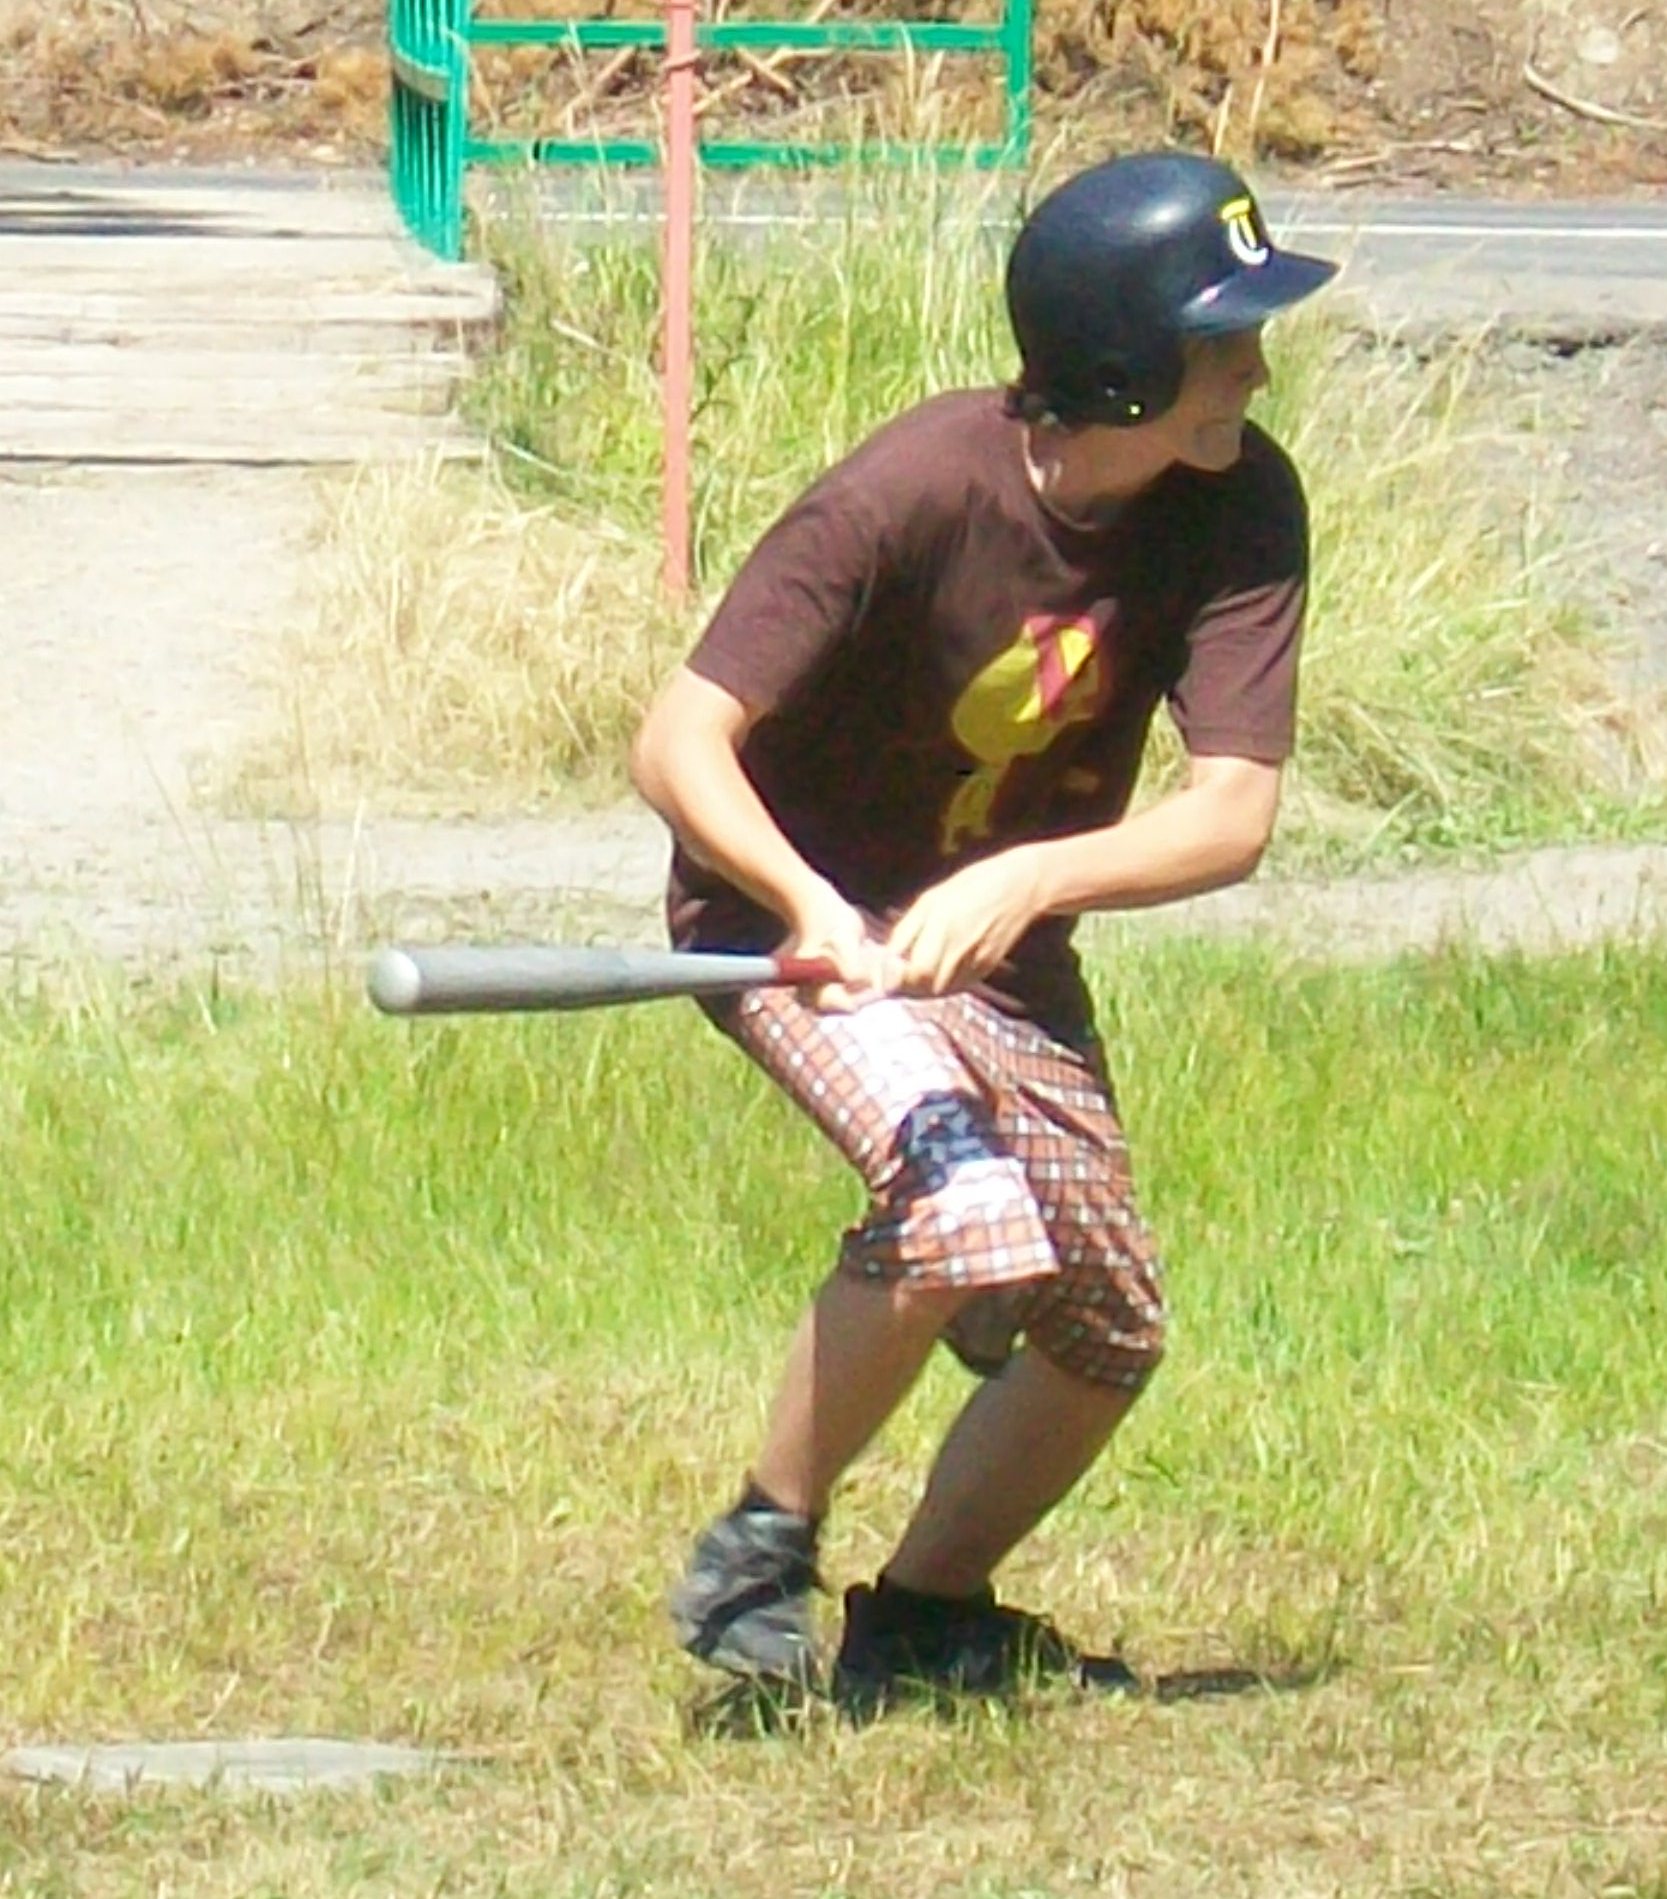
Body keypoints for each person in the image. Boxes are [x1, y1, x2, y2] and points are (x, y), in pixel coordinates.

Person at [628, 149, 1338, 1705]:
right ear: (1121, 364)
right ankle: (760, 1544)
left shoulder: (1240, 504)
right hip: (787, 927)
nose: (1257, 371)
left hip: (996, 946)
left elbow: (1231, 814)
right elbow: (677, 747)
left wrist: (1025, 884)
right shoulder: (914, 490)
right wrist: (812, 905)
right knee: (961, 1209)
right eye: (1224, 343)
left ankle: (927, 1620)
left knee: (1106, 1318)